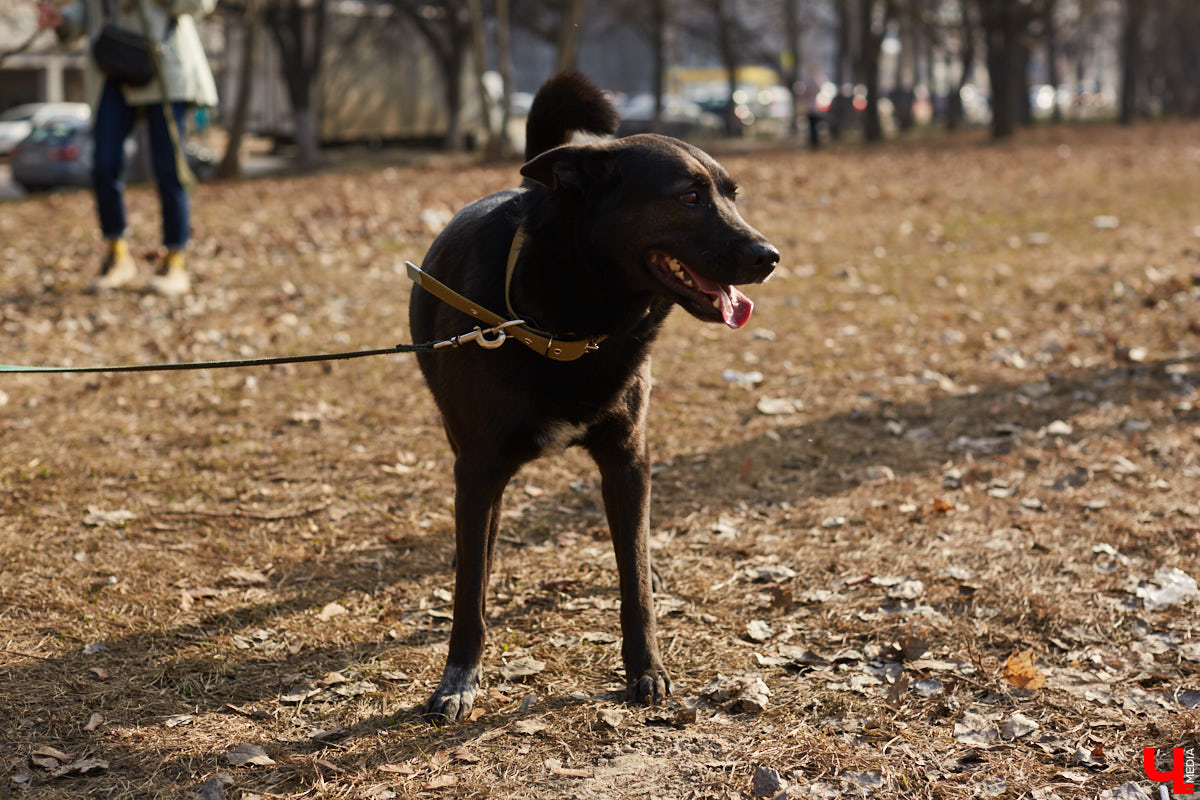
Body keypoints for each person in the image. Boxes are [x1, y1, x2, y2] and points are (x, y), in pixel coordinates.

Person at [37, 0, 217, 295]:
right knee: (104, 163)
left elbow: (200, 4)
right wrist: (63, 20)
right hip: (112, 67)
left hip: (164, 64)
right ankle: (117, 254)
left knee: (169, 166)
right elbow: (86, 12)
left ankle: (175, 258)